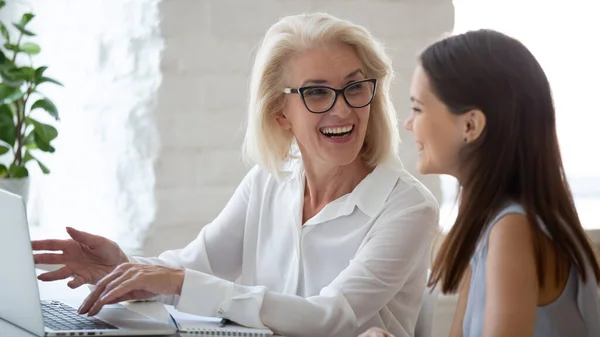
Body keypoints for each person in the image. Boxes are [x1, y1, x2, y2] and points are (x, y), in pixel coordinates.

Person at [32, 13, 439, 337]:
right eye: (316, 92)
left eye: (354, 87)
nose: (344, 110)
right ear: (280, 114)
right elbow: (197, 267)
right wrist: (124, 267)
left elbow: (334, 317)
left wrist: (176, 281)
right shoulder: (269, 182)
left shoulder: (406, 206)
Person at [361, 29, 600, 337]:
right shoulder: (488, 224)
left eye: (418, 108)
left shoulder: (513, 229)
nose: (408, 124)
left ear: (470, 125)